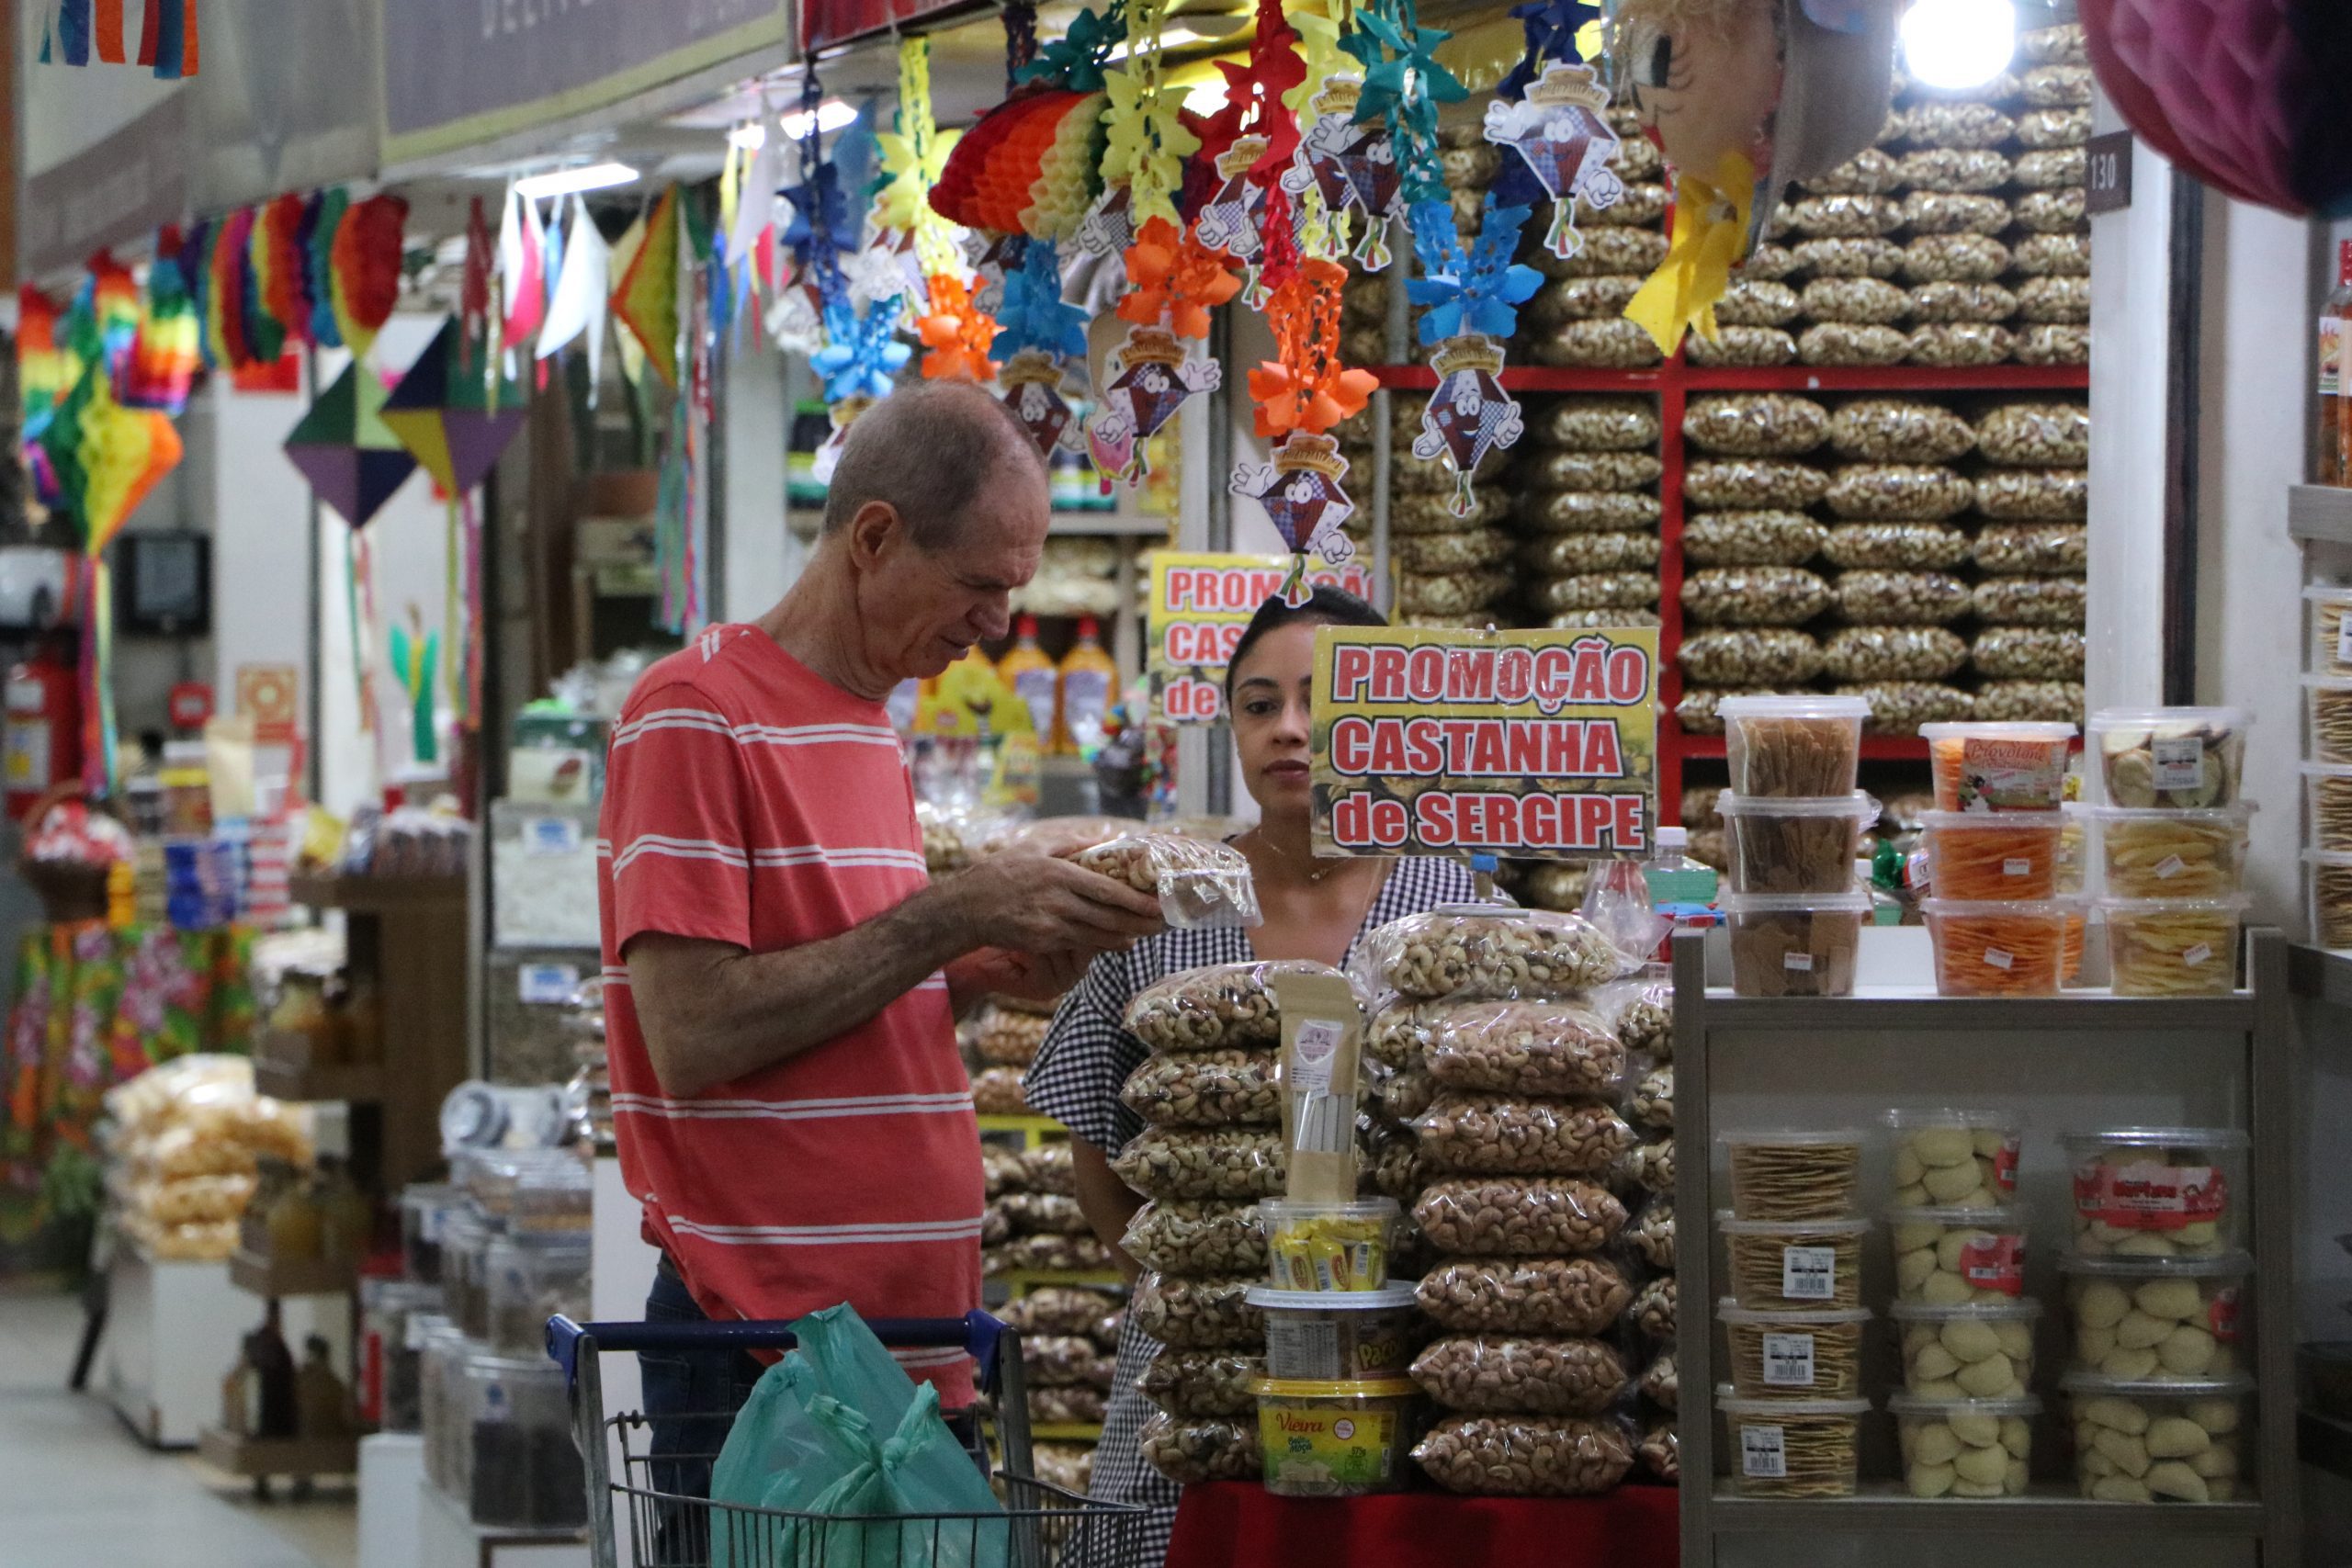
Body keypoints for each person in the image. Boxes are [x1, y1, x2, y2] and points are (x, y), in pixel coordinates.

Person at [596, 382, 1168, 1518]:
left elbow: (833, 1004)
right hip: (766, 1349)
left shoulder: (869, 725)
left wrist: (969, 973)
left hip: (905, 1337)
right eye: (980, 586)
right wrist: (952, 915)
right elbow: (696, 1033)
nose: (1000, 624)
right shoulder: (693, 711)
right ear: (873, 538)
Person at [1023, 587, 1486, 1565]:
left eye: (1323, 699)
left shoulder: (1457, 908)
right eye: (1260, 703)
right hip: (1196, 1368)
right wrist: (1176, 1295)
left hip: (1404, 1358)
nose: (1290, 729)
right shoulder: (1163, 899)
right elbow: (1093, 1138)